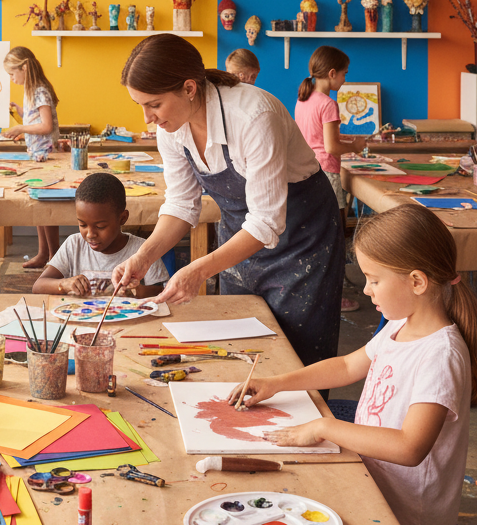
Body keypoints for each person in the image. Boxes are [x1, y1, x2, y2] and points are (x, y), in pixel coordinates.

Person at [230, 203, 477, 525]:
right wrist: (277, 384)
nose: (366, 290)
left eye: (374, 279)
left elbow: (411, 448)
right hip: (371, 485)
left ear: (416, 282)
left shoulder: (440, 355)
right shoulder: (401, 326)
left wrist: (324, 427)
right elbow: (349, 365)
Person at [113, 33, 344, 368]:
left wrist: (199, 270)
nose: (148, 119)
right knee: (239, 348)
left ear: (189, 88)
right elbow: (180, 204)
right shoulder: (171, 127)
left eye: (154, 104)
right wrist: (143, 257)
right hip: (240, 236)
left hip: (303, 238)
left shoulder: (253, 115)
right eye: (141, 105)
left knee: (296, 357)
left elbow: (266, 220)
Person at [294, 46, 368, 312]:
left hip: (308, 172)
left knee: (316, 235)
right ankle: (333, 298)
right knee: (334, 238)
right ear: (332, 73)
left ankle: (314, 294)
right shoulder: (328, 104)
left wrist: (348, 140)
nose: (345, 80)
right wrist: (357, 147)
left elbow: (315, 140)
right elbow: (331, 148)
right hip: (327, 172)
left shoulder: (304, 98)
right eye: (345, 74)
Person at [32, 172, 168, 297]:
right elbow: (38, 286)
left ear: (122, 218)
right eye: (83, 225)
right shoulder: (74, 245)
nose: (90, 234)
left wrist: (136, 291)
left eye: (100, 227)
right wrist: (64, 284)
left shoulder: (143, 250)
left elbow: (161, 291)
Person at [2, 46, 62, 269]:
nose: (11, 78)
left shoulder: (39, 91)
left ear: (24, 68)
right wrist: (20, 111)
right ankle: (43, 252)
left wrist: (21, 128)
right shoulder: (31, 91)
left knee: (47, 209)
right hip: (37, 156)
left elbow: (46, 125)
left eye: (12, 73)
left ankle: (55, 257)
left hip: (47, 158)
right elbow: (36, 118)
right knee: (39, 206)